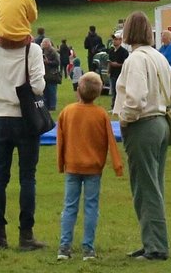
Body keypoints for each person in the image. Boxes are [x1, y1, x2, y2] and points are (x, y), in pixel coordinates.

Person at [114, 11, 171, 263]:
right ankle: (151, 241)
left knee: (145, 187)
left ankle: (156, 247)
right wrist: (163, 102)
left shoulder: (135, 60)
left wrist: (125, 118)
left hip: (142, 125)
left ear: (129, 32)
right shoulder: (157, 56)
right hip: (161, 122)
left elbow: (135, 96)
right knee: (154, 184)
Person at [0, 20, 47, 251]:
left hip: (0, 118)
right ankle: (26, 235)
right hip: (25, 119)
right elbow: (37, 87)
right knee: (27, 177)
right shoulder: (32, 49)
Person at [55, 71, 123, 260]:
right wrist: (117, 165)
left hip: (72, 166)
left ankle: (64, 247)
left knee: (69, 206)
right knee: (91, 206)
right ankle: (88, 248)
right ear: (99, 93)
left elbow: (60, 140)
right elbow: (111, 140)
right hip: (93, 168)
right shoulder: (101, 114)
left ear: (78, 90)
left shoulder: (67, 112)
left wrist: (61, 163)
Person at [41, 38, 62, 112]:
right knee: (45, 92)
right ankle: (46, 106)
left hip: (52, 75)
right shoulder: (42, 51)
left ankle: (52, 106)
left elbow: (57, 62)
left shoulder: (53, 51)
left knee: (52, 91)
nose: (43, 45)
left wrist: (48, 62)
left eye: (45, 43)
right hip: (45, 75)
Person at [107, 32, 128, 103]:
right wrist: (109, 71)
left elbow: (125, 64)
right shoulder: (111, 51)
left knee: (120, 90)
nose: (114, 41)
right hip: (113, 74)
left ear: (120, 40)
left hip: (120, 74)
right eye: (113, 39)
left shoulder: (124, 52)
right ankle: (113, 106)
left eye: (116, 39)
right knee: (113, 91)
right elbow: (109, 62)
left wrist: (117, 64)